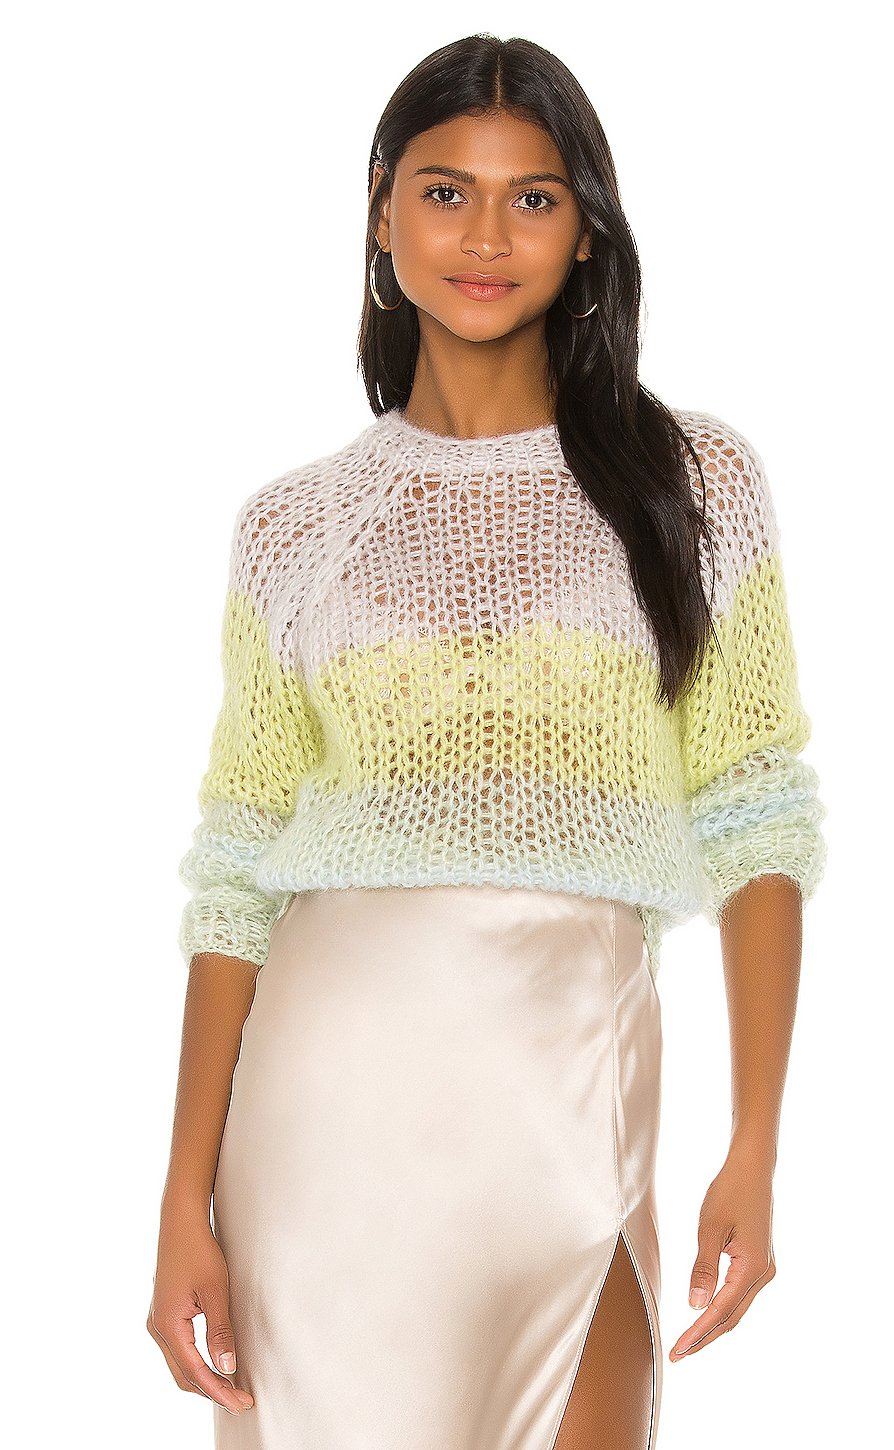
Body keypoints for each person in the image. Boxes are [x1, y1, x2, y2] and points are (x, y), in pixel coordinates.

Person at [147, 32, 827, 1450]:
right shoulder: (292, 529)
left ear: (586, 233)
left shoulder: (694, 488)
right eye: (446, 191)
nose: (486, 237)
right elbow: (236, 872)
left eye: (534, 198)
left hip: (572, 1092)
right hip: (325, 1118)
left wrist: (756, 1142)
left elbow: (759, 813)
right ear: (382, 211)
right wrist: (180, 1202)